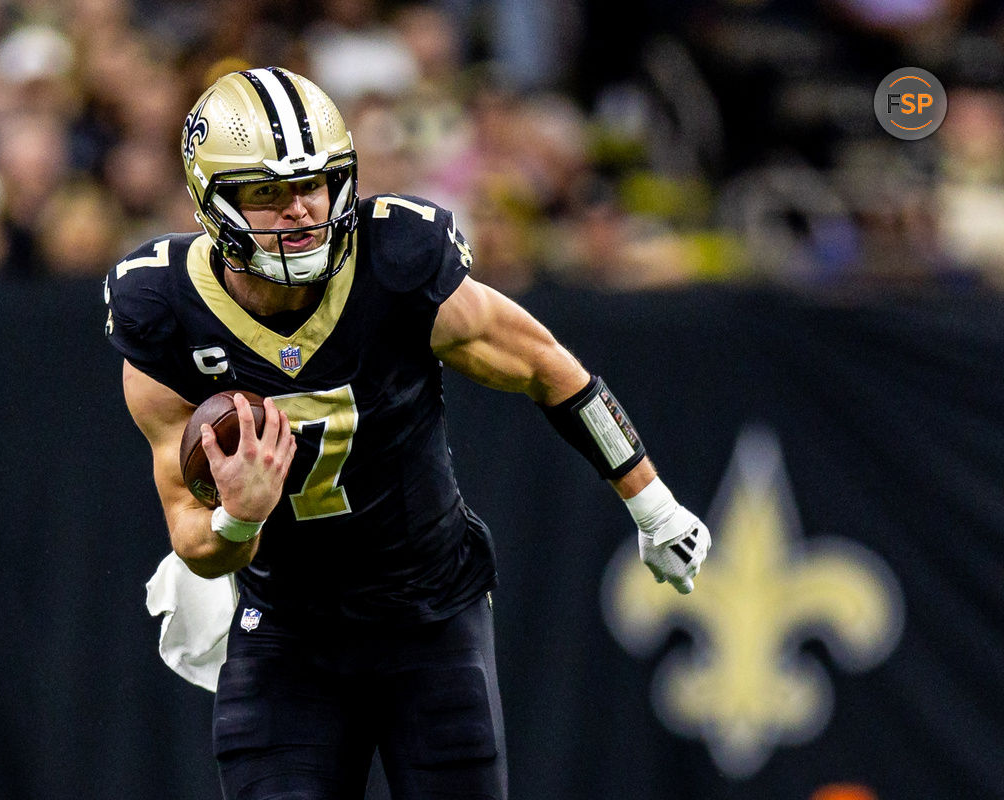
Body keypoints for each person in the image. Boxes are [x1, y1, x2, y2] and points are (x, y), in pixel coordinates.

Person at [105, 66, 711, 800]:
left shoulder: (392, 259)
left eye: (315, 184)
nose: (300, 210)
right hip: (289, 629)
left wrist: (651, 505)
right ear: (212, 202)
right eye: (267, 193)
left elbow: (546, 366)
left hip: (431, 615)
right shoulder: (164, 309)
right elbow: (195, 543)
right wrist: (240, 514)